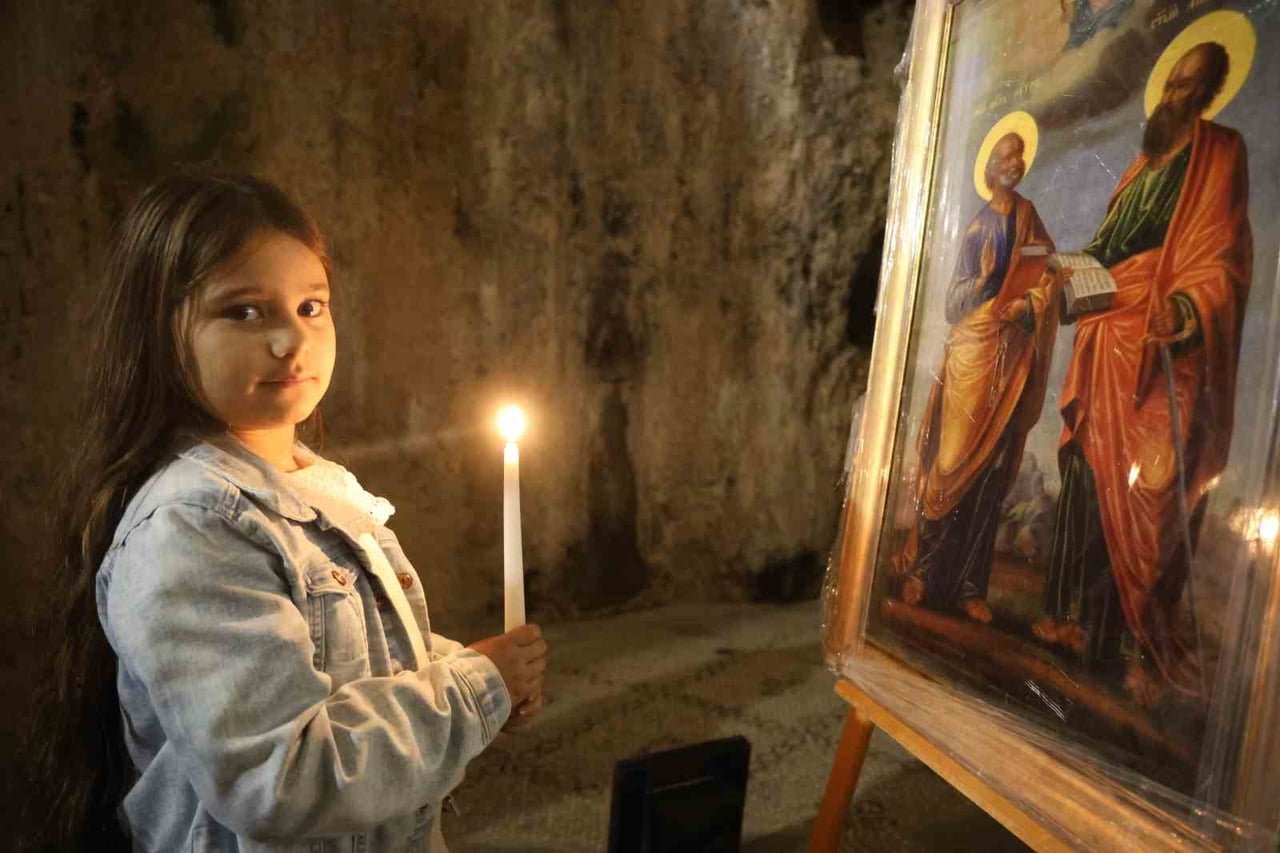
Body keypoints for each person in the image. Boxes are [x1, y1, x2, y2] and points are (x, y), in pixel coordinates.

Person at [23, 173, 548, 852]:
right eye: (244, 312)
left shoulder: (319, 486)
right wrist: (474, 689)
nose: (290, 340)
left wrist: (478, 671)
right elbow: (280, 776)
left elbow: (352, 665)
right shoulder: (191, 527)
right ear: (161, 330)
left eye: (310, 306)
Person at [1035, 42, 1251, 705]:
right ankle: (1070, 618)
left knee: (1152, 489)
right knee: (1085, 471)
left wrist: (1184, 308)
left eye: (1190, 86)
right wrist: (1069, 268)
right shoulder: (1139, 166)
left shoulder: (1220, 152)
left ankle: (1136, 644)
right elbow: (1108, 245)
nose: (1174, 95)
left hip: (1162, 336)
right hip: (1105, 333)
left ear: (1209, 92)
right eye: (1171, 83)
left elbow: (1223, 255)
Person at [898, 132, 1059, 622]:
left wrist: (1029, 304)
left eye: (1021, 156)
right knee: (948, 470)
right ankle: (923, 572)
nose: (1016, 163)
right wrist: (986, 281)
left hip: (1010, 363)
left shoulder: (1030, 218)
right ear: (990, 168)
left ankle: (970, 588)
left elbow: (1049, 275)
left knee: (990, 474)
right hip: (971, 356)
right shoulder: (975, 228)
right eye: (1007, 156)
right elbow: (952, 304)